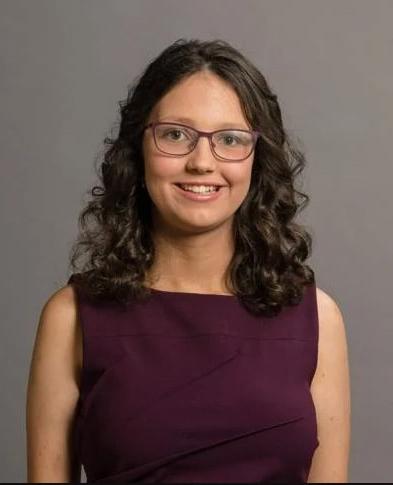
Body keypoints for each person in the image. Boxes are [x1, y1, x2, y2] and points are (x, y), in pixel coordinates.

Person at [26, 38, 351, 483]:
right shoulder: (71, 318)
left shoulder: (318, 319)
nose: (202, 162)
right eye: (176, 134)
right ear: (138, 148)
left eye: (230, 139)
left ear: (257, 159)